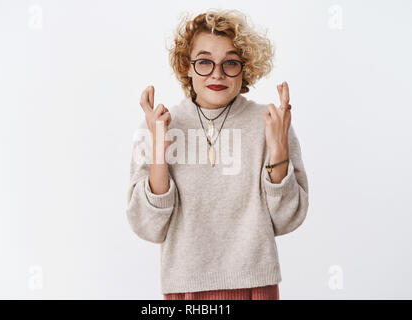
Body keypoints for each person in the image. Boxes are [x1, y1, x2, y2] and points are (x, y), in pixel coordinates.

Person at [126, 9, 309, 300]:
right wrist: (159, 152)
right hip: (185, 287)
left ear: (244, 67)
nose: (217, 74)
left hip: (255, 283)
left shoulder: (270, 122)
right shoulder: (159, 123)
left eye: (230, 63)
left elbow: (287, 219)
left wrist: (279, 150)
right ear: (187, 65)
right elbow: (149, 227)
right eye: (204, 62)